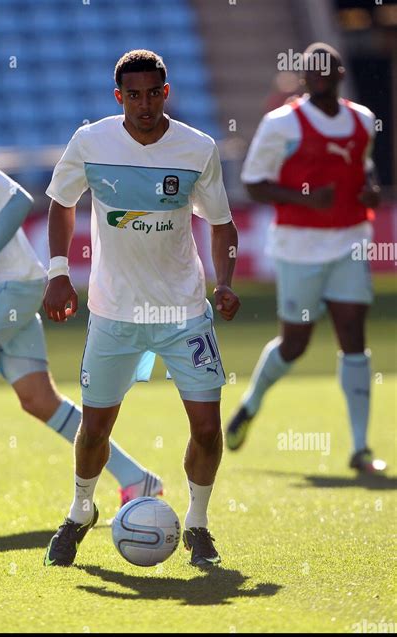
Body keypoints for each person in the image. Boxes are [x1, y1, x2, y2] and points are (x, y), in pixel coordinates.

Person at [43, 49, 240, 568]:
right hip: (114, 313)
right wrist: (59, 272)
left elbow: (221, 224)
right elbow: (62, 203)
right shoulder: (91, 141)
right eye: (134, 95)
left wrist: (225, 281)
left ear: (166, 93)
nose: (144, 104)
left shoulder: (197, 149)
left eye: (153, 93)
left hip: (183, 313)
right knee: (95, 429)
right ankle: (81, 509)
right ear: (119, 97)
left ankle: (196, 524)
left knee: (206, 429)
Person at [0, 134, 162, 521]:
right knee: (38, 399)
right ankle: (137, 478)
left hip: (12, 283)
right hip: (4, 287)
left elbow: (19, 199)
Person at [226, 43, 386, 474]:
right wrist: (308, 200)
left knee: (353, 333)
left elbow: (363, 165)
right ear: (302, 78)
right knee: (295, 343)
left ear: (338, 74)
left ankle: (360, 448)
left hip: (351, 239)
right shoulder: (282, 124)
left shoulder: (364, 119)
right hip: (299, 246)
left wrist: (370, 188)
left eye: (326, 69)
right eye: (310, 71)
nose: (319, 76)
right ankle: (250, 404)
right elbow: (254, 183)